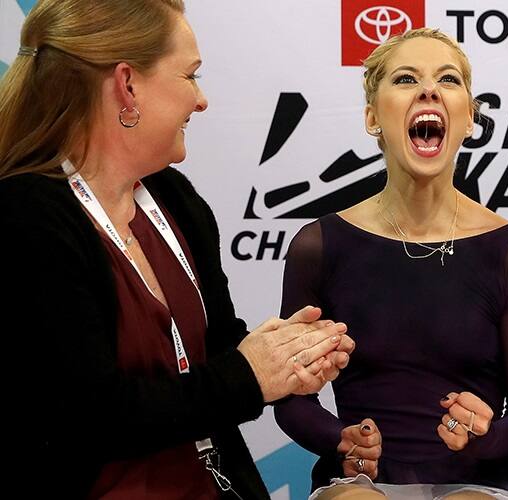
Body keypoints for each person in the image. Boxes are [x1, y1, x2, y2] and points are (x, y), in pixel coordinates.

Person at [0, 1, 354, 498]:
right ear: (128, 85)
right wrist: (248, 376)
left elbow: (214, 351)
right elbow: (87, 415)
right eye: (190, 75)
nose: (201, 100)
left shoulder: (175, 198)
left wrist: (288, 360)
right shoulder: (26, 217)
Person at [274, 28, 508, 500]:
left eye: (448, 79)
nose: (428, 90)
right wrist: (342, 440)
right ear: (372, 117)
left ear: (469, 118)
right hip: (361, 481)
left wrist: (486, 436)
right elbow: (292, 398)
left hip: (485, 481)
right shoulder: (318, 245)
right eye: (406, 79)